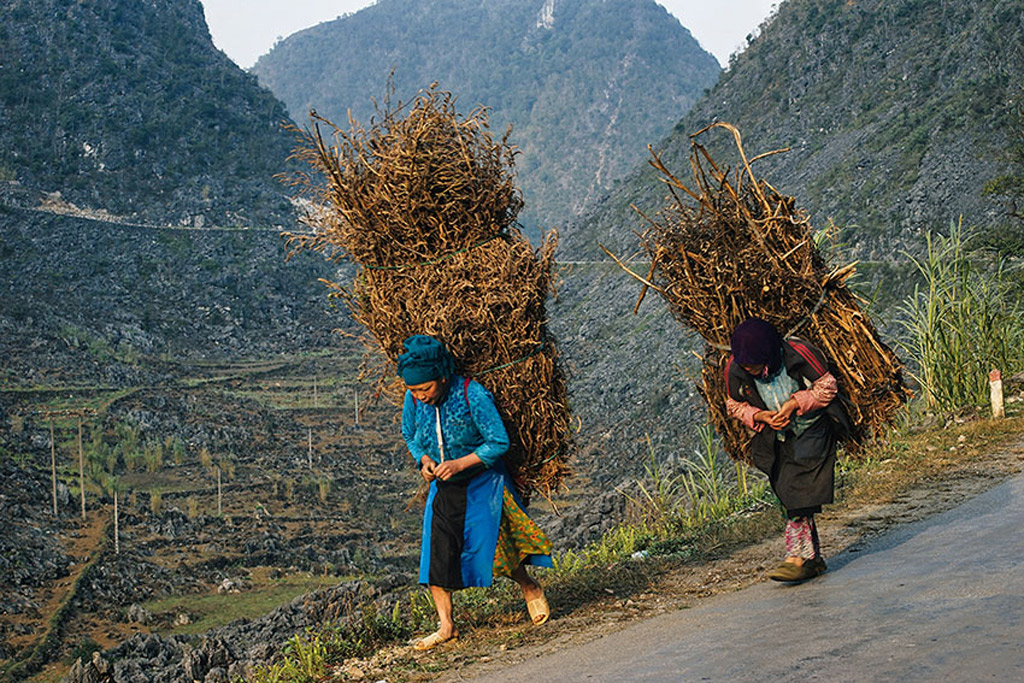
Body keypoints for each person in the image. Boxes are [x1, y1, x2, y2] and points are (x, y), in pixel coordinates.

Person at [397, 334, 553, 650]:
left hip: (483, 481)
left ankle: (529, 586)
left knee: (494, 545)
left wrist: (458, 464)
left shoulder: (472, 395)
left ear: (442, 376)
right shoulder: (413, 400)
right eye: (413, 390)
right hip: (443, 485)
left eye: (425, 389)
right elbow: (410, 435)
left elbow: (498, 442)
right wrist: (424, 460)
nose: (420, 396)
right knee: (436, 554)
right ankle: (446, 627)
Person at [725, 317, 850, 582]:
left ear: (769, 354)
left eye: (756, 366)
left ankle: (795, 557)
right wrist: (761, 417)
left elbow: (827, 387)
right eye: (746, 367)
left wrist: (794, 404)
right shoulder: (735, 369)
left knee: (797, 488)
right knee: (786, 488)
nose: (752, 371)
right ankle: (812, 560)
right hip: (775, 435)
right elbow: (733, 405)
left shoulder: (798, 353)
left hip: (813, 428)